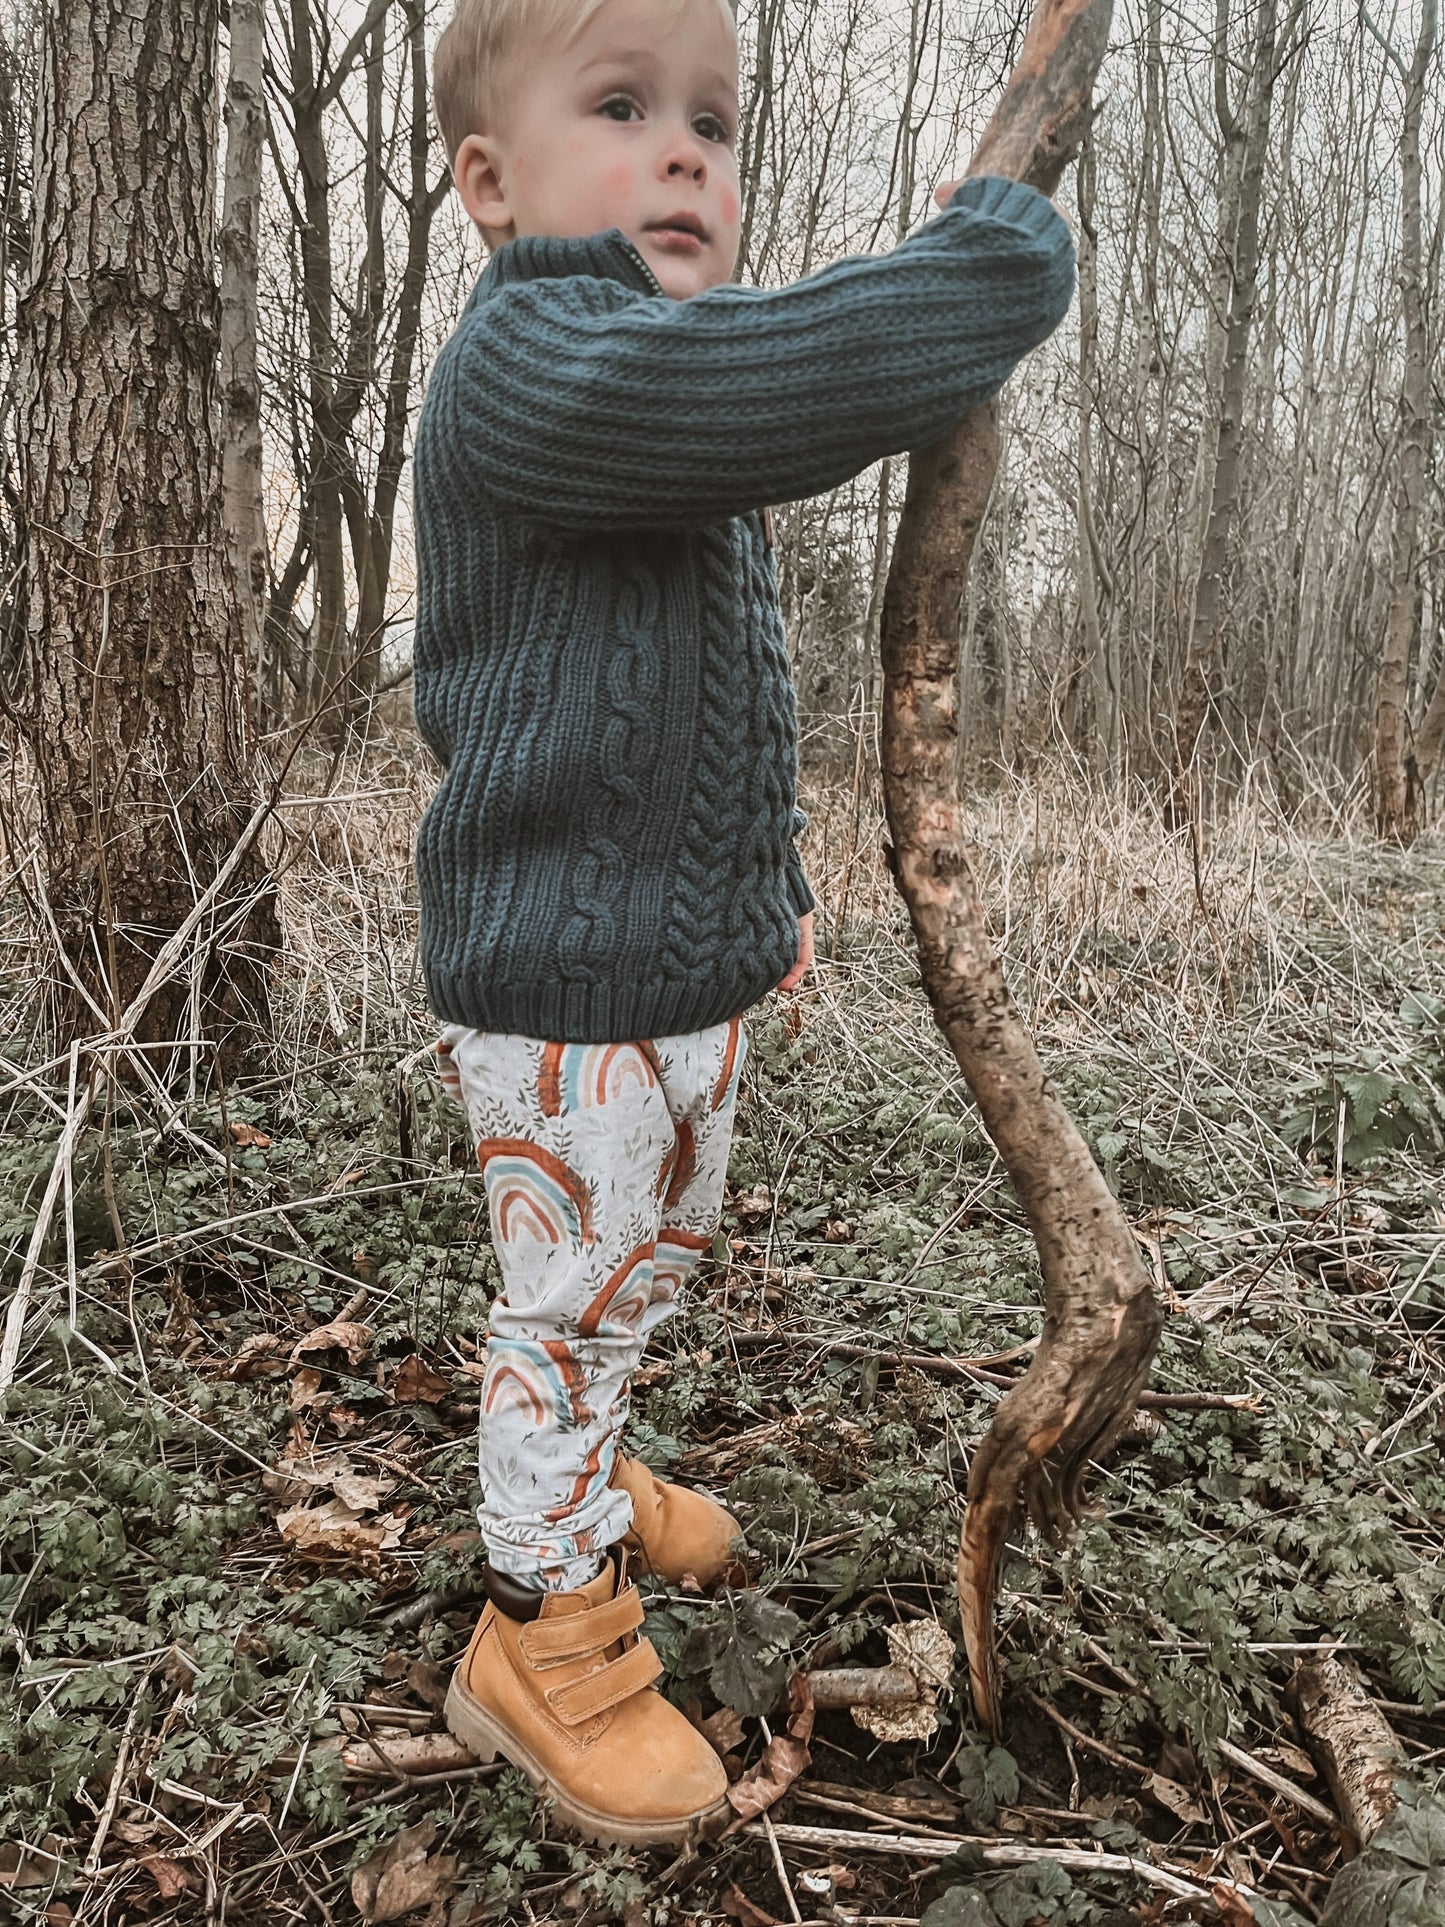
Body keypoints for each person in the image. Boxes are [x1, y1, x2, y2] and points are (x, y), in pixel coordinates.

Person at [413, 0, 1075, 1847]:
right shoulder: (540, 362)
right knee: (568, 1291)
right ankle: (534, 1636)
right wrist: (981, 262)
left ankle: (593, 1464)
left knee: (654, 1249)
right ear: (491, 183)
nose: (688, 149)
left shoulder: (640, 380)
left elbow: (720, 703)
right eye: (621, 109)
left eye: (712, 114)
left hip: (673, 975)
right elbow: (787, 384)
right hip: (556, 985)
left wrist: (762, 899)